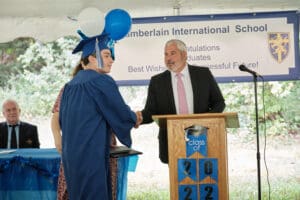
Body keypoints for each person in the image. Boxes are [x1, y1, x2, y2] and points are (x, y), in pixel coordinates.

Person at [59, 33, 141, 200]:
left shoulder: (69, 86)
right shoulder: (100, 81)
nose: (112, 60)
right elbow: (120, 112)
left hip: (71, 157)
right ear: (92, 58)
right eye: (107, 55)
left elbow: (62, 121)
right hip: (91, 154)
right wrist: (135, 117)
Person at [138, 39, 225, 164]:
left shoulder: (203, 74)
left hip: (201, 136)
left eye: (172, 53)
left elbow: (219, 102)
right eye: (166, 54)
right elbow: (151, 112)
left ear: (184, 55)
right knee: (178, 181)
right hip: (172, 141)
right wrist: (136, 117)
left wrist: (206, 123)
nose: (168, 58)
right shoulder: (157, 81)